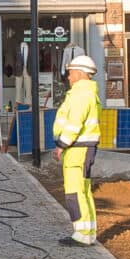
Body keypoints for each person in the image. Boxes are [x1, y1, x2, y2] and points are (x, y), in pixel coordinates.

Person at [53, 52, 102, 245]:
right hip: (81, 148)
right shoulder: (88, 93)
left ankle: (81, 234)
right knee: (83, 191)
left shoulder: (81, 94)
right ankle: (88, 233)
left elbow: (74, 124)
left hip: (77, 149)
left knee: (74, 192)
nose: (68, 76)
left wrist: (61, 145)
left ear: (80, 73)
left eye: (71, 72)